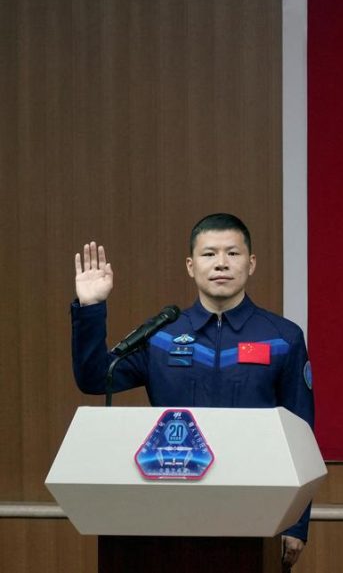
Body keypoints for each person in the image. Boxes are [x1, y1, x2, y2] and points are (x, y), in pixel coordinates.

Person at [71, 213, 315, 569]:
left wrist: (296, 522)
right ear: (190, 265)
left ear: (251, 263)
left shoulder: (282, 337)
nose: (221, 263)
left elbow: (303, 435)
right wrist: (91, 308)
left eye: (232, 253)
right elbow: (96, 379)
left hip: (255, 509)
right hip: (166, 511)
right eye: (209, 254)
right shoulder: (162, 335)